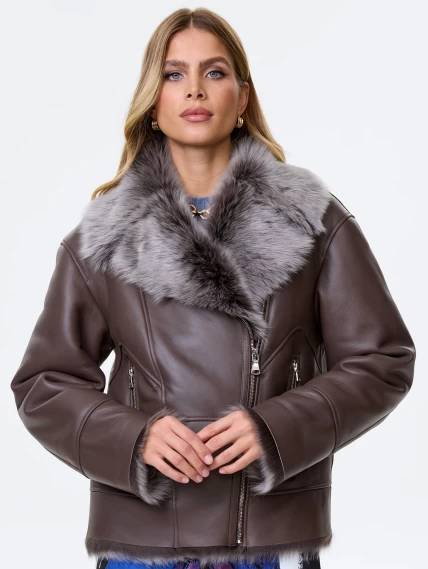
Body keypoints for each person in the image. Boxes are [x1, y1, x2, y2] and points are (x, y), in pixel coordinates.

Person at [10, 7, 416, 569]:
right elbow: (43, 383)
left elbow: (382, 360)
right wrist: (134, 439)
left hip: (268, 536)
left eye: (215, 72)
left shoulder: (313, 220)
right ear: (153, 103)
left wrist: (276, 429)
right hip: (143, 540)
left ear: (242, 97)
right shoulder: (102, 237)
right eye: (174, 74)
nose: (195, 90)